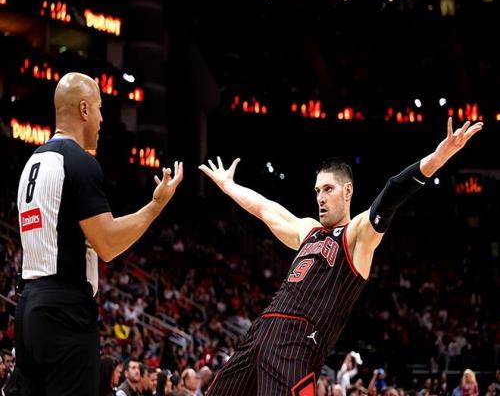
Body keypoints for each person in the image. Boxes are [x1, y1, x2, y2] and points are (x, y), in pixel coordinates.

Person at [199, 118, 482, 396]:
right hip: (259, 333)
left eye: (328, 189)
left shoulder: (356, 235)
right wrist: (228, 186)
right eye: (317, 191)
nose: (320, 198)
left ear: (348, 191)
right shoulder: (308, 229)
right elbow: (264, 208)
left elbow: (393, 190)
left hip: (296, 344)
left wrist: (438, 157)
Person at [15, 72, 183, 396]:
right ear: (84, 109)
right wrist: (155, 206)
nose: (103, 119)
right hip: (65, 311)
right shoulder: (79, 162)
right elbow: (107, 244)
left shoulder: (31, 164)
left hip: (28, 307)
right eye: (100, 108)